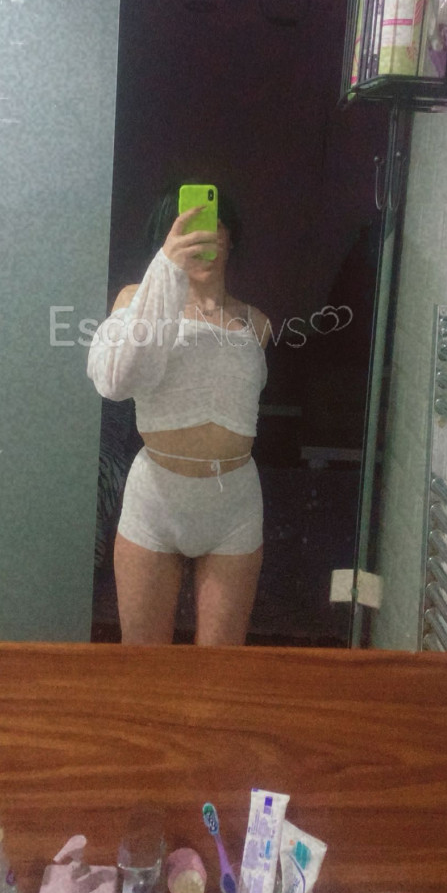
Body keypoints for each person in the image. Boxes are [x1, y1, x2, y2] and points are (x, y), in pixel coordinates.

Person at [87, 183, 270, 645]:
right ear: (164, 240)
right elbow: (117, 381)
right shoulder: (134, 301)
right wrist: (166, 271)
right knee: (144, 661)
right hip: (155, 498)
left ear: (230, 238)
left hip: (234, 504)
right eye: (183, 229)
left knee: (221, 666)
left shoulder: (257, 322)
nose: (201, 238)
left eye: (213, 226)